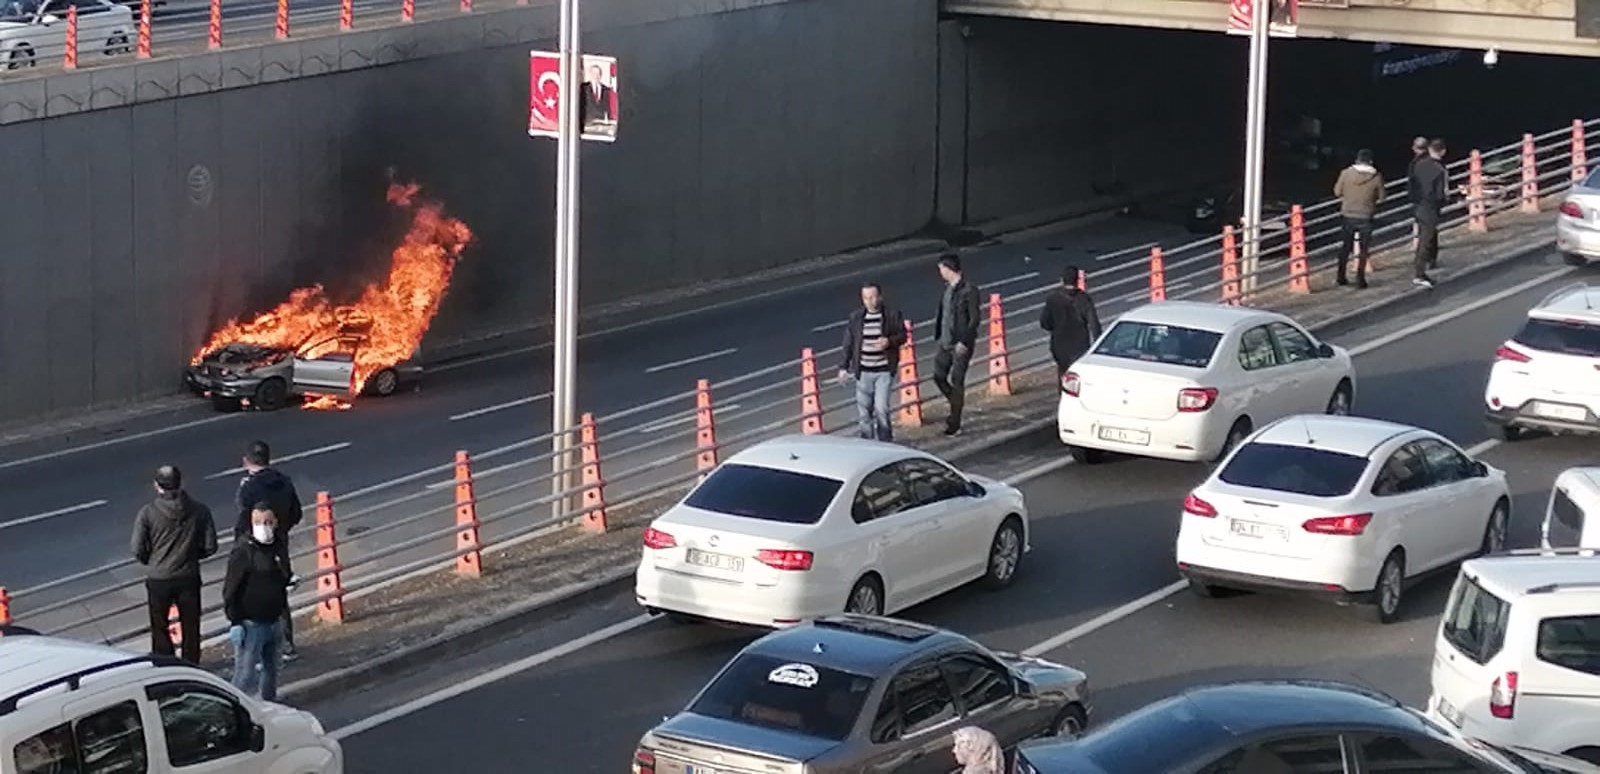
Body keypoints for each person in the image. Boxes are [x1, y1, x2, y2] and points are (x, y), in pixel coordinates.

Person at [131, 465, 217, 664]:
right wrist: (192, 556)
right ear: (181, 483)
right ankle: (191, 666)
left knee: (159, 627)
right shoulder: (199, 510)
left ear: (156, 486)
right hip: (188, 576)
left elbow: (137, 549)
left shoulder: (148, 513)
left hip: (159, 579)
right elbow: (210, 546)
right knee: (191, 626)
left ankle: (166, 665)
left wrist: (152, 561)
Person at [235, 441, 303, 661]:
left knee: (252, 597)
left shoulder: (249, 487)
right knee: (279, 595)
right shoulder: (284, 482)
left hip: (253, 549)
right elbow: (296, 514)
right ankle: (287, 644)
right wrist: (280, 529)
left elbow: (243, 518)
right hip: (279, 546)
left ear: (246, 461)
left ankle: (259, 648)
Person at [223, 503, 292, 702]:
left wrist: (288, 580)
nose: (264, 526)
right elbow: (230, 589)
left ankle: (269, 705)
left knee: (272, 671)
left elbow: (283, 573)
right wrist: (235, 621)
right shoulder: (243, 551)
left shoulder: (277, 547)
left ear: (276, 523)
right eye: (258, 522)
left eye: (268, 522)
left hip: (275, 620)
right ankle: (235, 709)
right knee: (245, 675)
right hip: (251, 623)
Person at [838, 282, 908, 442]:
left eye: (873, 297)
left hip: (883, 370)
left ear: (880, 297)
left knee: (881, 409)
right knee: (864, 412)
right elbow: (848, 343)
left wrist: (889, 342)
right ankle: (867, 443)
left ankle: (885, 442)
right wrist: (843, 367)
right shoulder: (856, 318)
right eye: (866, 298)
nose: (871, 301)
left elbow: (903, 335)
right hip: (863, 371)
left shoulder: (891, 315)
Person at [932, 253, 981, 437]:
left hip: (960, 344)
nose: (940, 273)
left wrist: (965, 341)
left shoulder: (969, 290)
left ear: (948, 268)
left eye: (941, 269)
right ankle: (955, 401)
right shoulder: (947, 289)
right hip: (945, 341)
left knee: (957, 380)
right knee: (938, 376)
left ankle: (955, 421)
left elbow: (974, 319)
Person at [1332, 148, 1384, 289]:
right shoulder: (1376, 176)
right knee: (1363, 249)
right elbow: (1382, 197)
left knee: (1345, 247)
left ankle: (1340, 276)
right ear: (1371, 162)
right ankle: (1360, 279)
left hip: (1348, 214)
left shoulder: (1346, 174)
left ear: (1357, 159)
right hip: (1366, 215)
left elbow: (1337, 192)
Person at [1039, 264, 1102, 380]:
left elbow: (1044, 322)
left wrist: (1055, 328)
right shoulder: (1084, 299)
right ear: (1077, 280)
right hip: (1079, 346)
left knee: (1062, 374)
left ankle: (1063, 395)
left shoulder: (1052, 298)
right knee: (1078, 377)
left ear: (1061, 280)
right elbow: (1094, 325)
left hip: (1059, 344)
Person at [1408, 138, 1449, 288]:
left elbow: (1412, 185)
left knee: (1423, 238)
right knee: (1426, 239)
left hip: (1418, 205)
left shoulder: (1418, 165)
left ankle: (1422, 267)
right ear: (1443, 151)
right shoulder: (1440, 170)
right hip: (1431, 208)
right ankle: (1420, 273)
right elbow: (1441, 194)